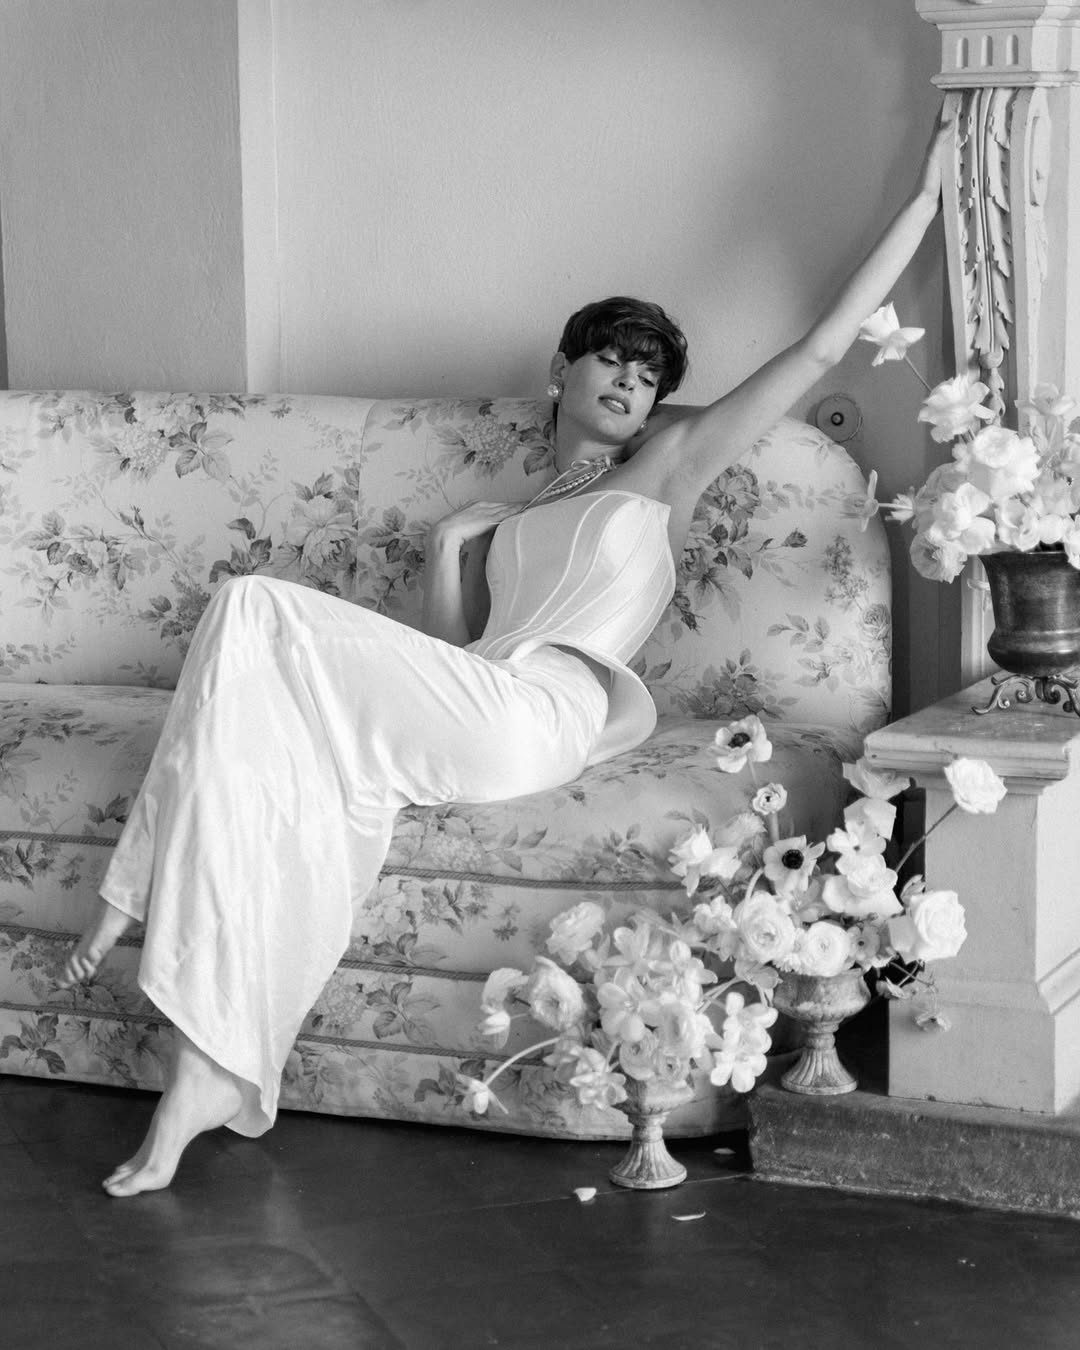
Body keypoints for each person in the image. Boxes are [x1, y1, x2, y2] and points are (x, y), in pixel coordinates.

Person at [58, 116, 949, 1197]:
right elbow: (446, 662)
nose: (632, 380)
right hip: (480, 702)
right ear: (561, 369)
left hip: (544, 714)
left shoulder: (667, 469)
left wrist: (925, 199)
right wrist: (451, 548)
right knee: (273, 762)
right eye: (613, 356)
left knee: (251, 604)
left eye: (650, 373)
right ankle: (206, 1071)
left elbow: (815, 350)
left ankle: (132, 885)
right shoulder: (516, 517)